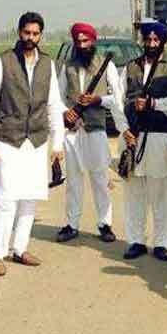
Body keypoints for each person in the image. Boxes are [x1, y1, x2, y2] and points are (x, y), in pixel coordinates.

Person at [0, 12, 65, 276]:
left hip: (37, 140)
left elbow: (54, 104)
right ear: (19, 32)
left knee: (30, 198)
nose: (30, 37)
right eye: (26, 32)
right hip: (8, 138)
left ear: (41, 35)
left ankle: (20, 248)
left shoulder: (47, 63)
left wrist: (57, 144)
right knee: (7, 199)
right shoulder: (3, 60)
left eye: (35, 33)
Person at [55, 22, 128, 244]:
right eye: (78, 41)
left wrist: (98, 100)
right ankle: (72, 224)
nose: (82, 45)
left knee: (100, 179)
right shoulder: (68, 66)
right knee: (74, 180)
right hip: (73, 131)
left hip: (96, 128)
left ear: (93, 41)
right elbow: (57, 97)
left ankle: (105, 224)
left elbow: (118, 98)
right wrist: (66, 112)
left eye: (85, 41)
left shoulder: (107, 65)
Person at [121, 20, 167, 261]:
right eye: (148, 40)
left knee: (161, 193)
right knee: (134, 192)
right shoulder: (131, 67)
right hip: (134, 137)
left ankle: (162, 243)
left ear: (163, 41)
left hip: (160, 136)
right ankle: (136, 240)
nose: (152, 44)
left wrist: (154, 104)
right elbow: (118, 101)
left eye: (156, 40)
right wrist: (124, 129)